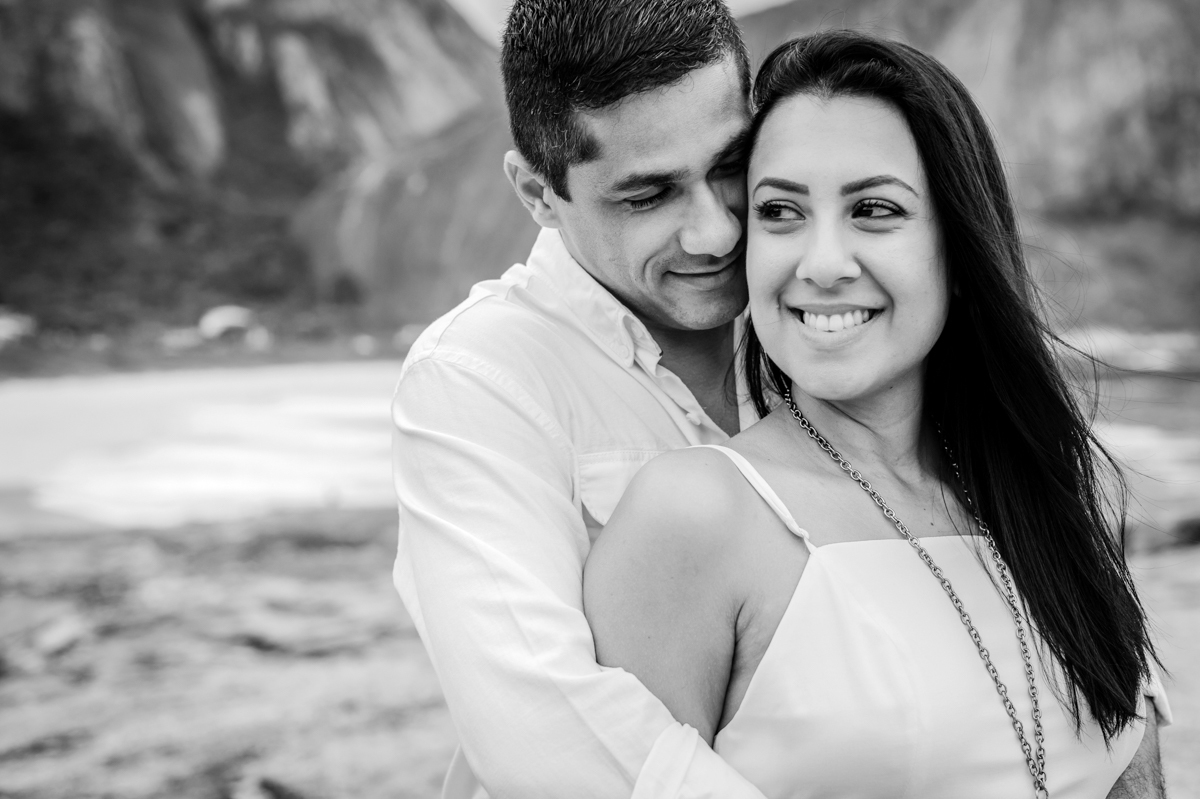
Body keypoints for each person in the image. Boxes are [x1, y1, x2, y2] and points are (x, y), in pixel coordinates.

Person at [585, 30, 1171, 798]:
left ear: (958, 250)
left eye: (873, 209)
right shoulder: (695, 516)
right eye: (781, 211)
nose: (822, 263)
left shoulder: (1050, 490)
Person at [391, 1, 773, 796]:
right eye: (647, 196)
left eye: (730, 164)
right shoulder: (479, 378)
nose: (716, 233)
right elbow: (544, 732)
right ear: (537, 192)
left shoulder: (825, 326)